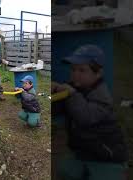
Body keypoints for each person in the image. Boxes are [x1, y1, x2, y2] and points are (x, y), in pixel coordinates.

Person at [53, 45, 128, 180]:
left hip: (106, 155)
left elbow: (85, 116)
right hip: (81, 151)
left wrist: (72, 95)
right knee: (64, 171)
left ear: (98, 73)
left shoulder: (102, 97)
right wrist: (54, 91)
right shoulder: (75, 87)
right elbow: (57, 110)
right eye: (73, 69)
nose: (75, 74)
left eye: (82, 70)